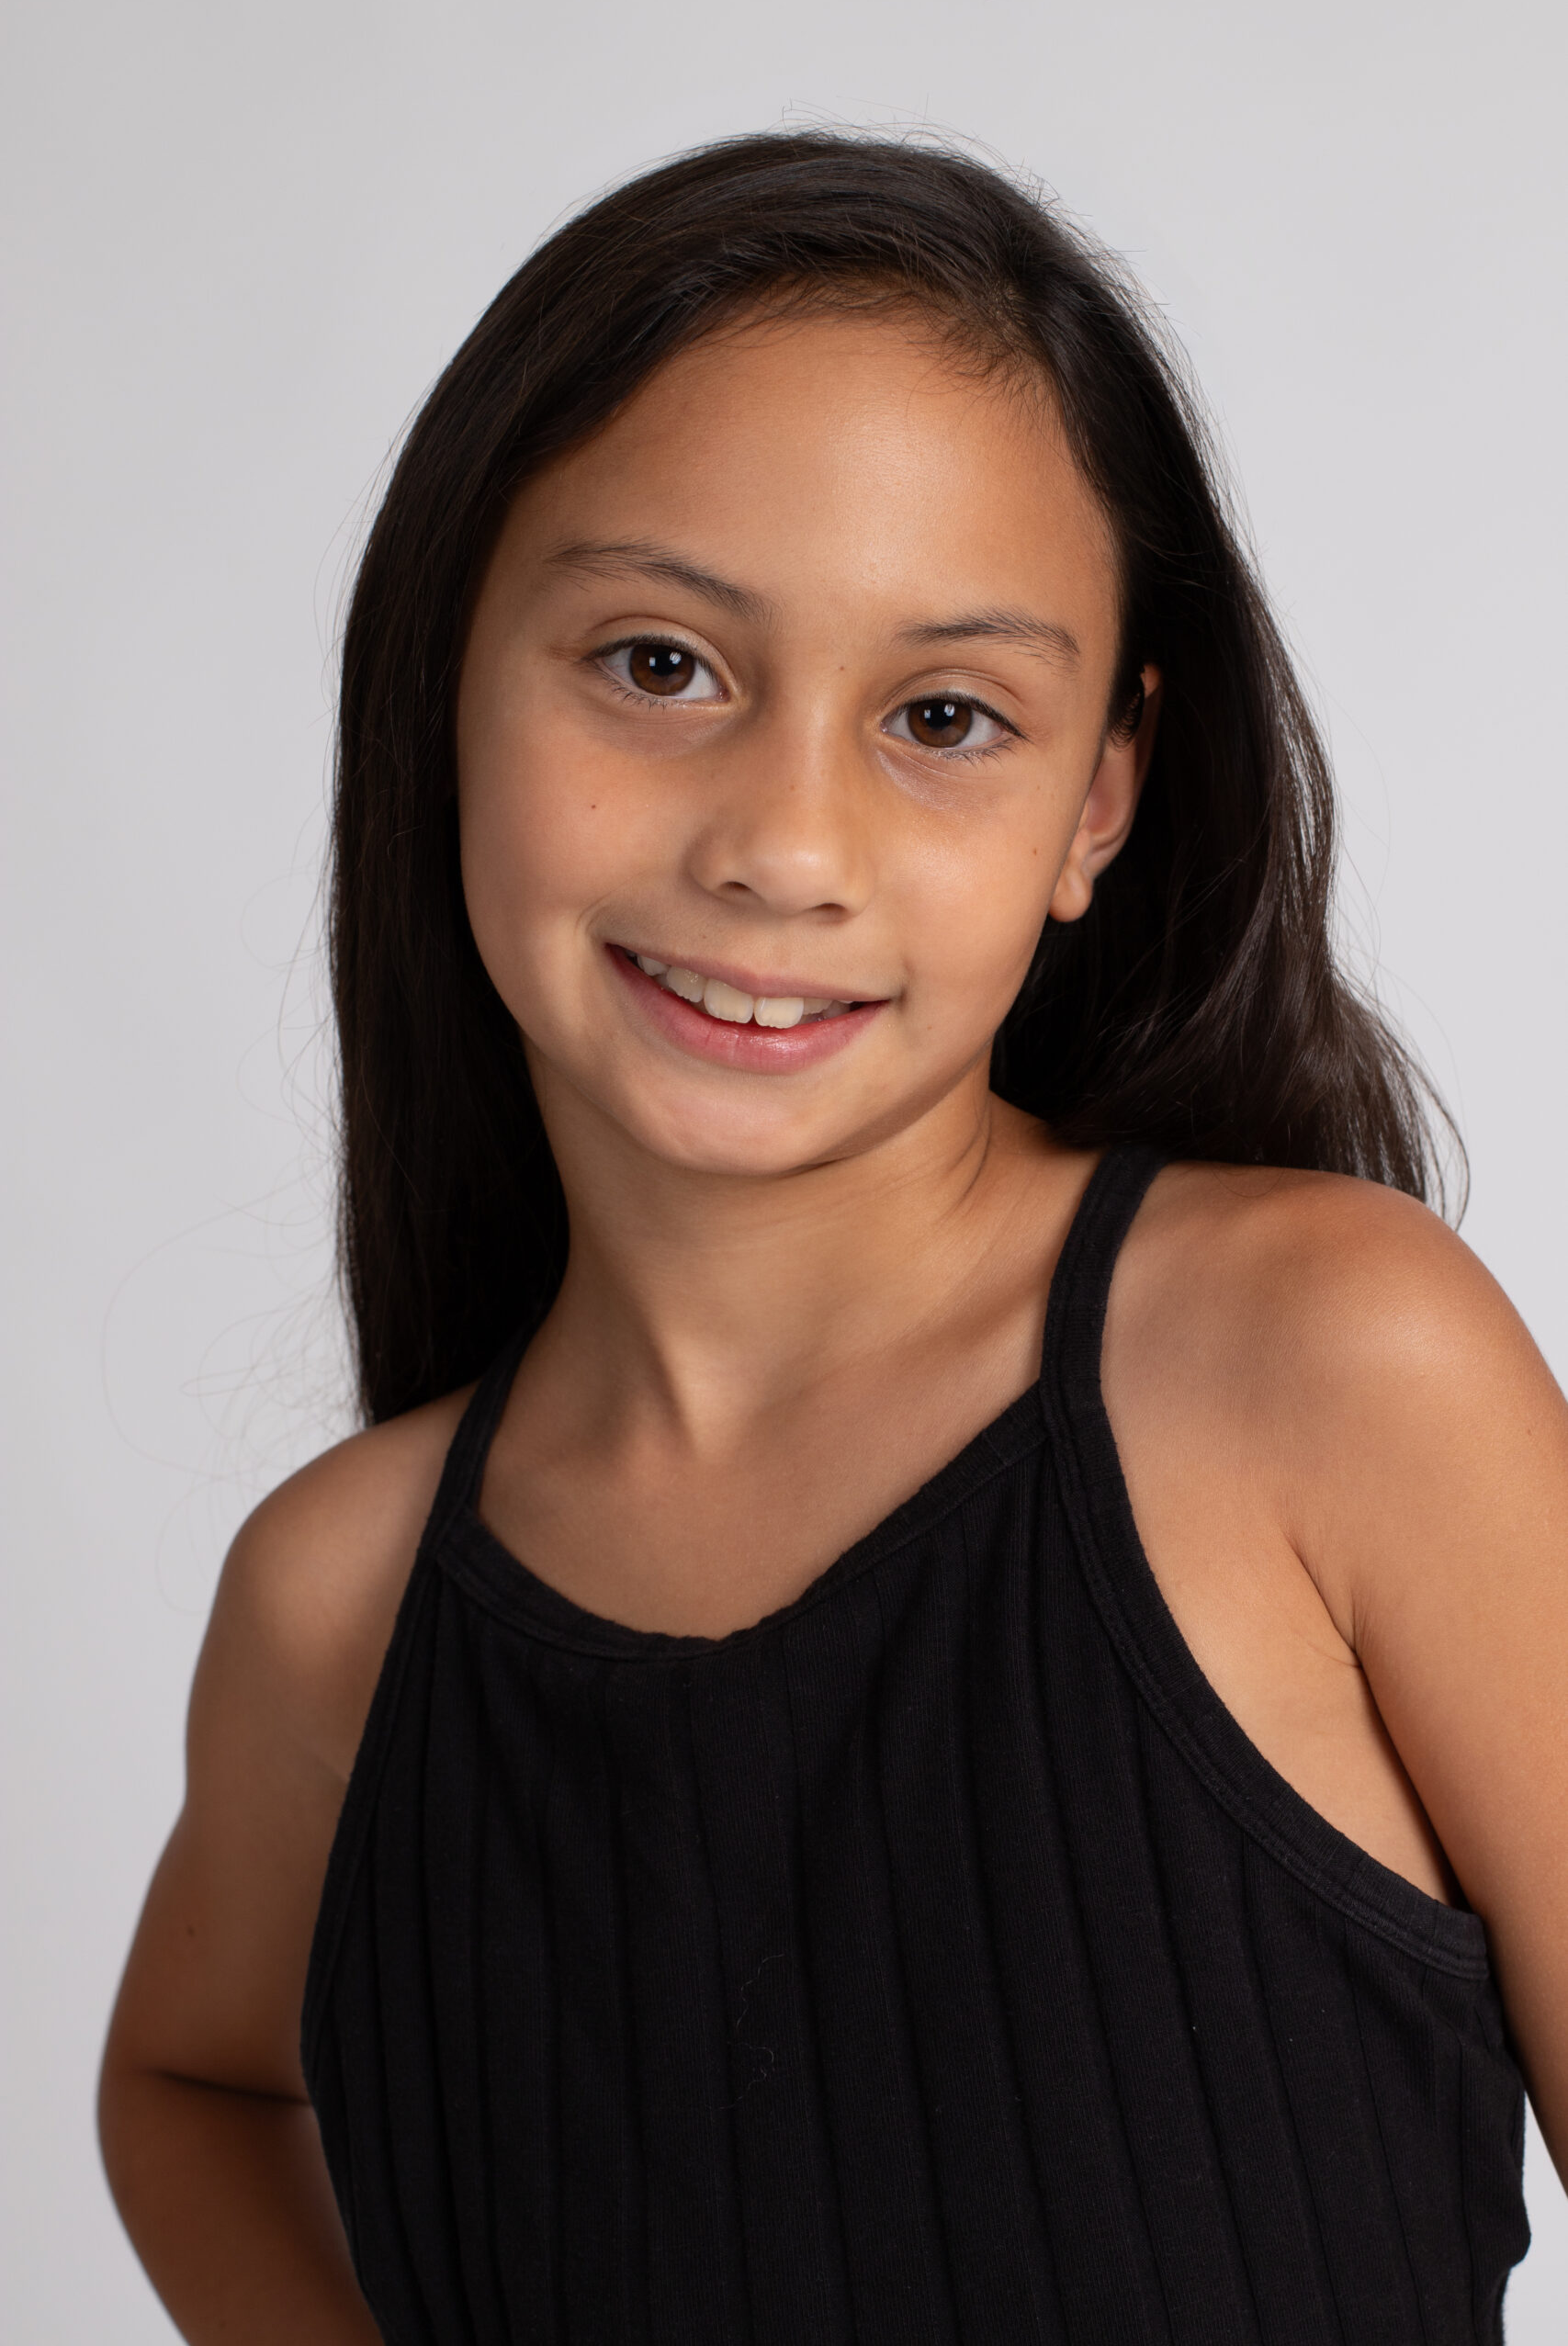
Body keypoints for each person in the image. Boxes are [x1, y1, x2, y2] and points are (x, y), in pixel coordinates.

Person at [97, 131, 1567, 2344]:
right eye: (657, 662)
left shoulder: (1327, 1373)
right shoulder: (340, 1608)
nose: (784, 845)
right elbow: (191, 2083)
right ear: (443, 681)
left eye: (942, 716)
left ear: (1096, 798)